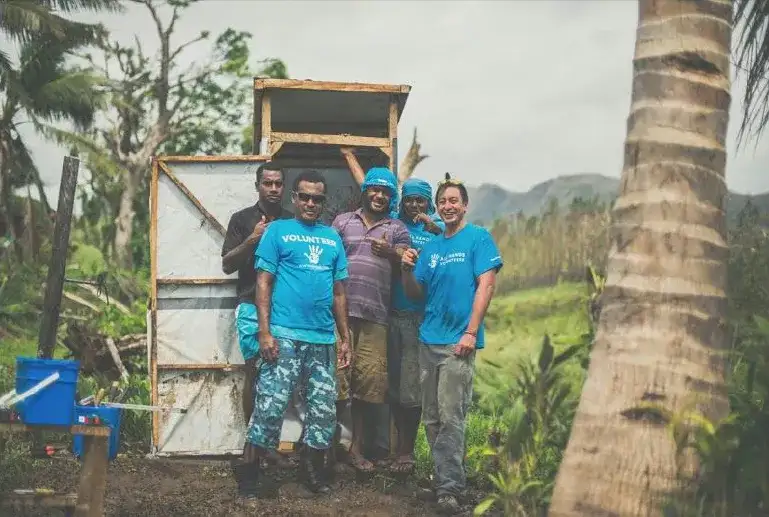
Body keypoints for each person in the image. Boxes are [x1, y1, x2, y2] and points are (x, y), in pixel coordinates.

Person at [401, 173, 503, 514]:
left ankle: (450, 489)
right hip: (428, 340)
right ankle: (444, 479)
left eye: (453, 201)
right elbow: (415, 293)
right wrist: (405, 269)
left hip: (457, 343)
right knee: (431, 418)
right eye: (442, 201)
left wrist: (471, 332)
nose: (448, 206)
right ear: (437, 207)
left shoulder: (478, 238)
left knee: (451, 417)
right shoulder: (432, 248)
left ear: (464, 205)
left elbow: (486, 285)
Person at [245, 169, 352, 495]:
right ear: (294, 198)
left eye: (316, 199)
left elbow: (339, 292)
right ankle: (254, 475)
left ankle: (312, 472)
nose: (310, 203)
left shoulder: (332, 238)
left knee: (323, 410)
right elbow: (263, 282)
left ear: (323, 201)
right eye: (304, 197)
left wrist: (344, 337)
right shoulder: (278, 231)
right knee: (270, 404)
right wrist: (264, 332)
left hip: (322, 338)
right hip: (284, 335)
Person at [332, 158, 411, 472]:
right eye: (374, 190)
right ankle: (327, 448)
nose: (379, 196)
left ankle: (356, 449)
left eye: (386, 192)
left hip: (376, 318)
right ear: (365, 191)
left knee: (366, 387)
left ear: (392, 198)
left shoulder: (396, 228)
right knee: (335, 383)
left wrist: (390, 252)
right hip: (338, 317)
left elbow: (407, 258)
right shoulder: (341, 222)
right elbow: (327, 260)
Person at [221, 163, 292, 489]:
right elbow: (227, 264)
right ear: (258, 185)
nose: (273, 188)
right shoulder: (242, 219)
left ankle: (268, 446)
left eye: (278, 183)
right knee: (255, 373)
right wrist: (252, 239)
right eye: (268, 183)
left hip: (284, 310)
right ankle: (253, 448)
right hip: (251, 305)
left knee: (279, 379)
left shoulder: (291, 221)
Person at [387, 178, 444, 476]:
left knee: (411, 388)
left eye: (420, 200)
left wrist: (435, 228)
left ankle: (406, 451)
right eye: (408, 199)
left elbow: (454, 241)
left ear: (428, 202)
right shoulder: (395, 224)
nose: (413, 205)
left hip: (418, 317)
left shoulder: (437, 229)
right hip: (388, 314)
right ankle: (391, 447)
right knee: (390, 385)